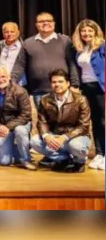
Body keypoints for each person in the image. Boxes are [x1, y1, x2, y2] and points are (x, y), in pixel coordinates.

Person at [30, 69, 92, 173]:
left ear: (68, 83)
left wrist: (65, 137)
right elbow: (42, 122)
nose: (57, 84)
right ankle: (63, 159)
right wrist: (46, 136)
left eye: (60, 81)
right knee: (34, 141)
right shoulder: (45, 99)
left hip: (75, 137)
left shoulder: (81, 99)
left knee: (76, 146)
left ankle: (79, 162)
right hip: (55, 136)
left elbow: (84, 125)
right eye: (54, 82)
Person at [11, 12, 79, 102]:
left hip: (63, 90)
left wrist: (75, 85)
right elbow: (19, 66)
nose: (46, 23)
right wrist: (11, 84)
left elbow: (72, 63)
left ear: (54, 23)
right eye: (42, 21)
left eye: (49, 21)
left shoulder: (65, 41)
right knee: (42, 116)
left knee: (65, 116)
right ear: (36, 25)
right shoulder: (27, 43)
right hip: (38, 92)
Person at [0, 66, 36, 170]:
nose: (0, 80)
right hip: (2, 127)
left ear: (9, 77)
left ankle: (26, 159)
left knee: (20, 130)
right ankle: (17, 153)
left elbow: (25, 114)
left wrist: (8, 126)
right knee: (4, 162)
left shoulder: (20, 91)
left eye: (3, 76)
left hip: (19, 124)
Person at [71, 19, 105, 170]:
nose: (86, 33)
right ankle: (99, 153)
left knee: (103, 122)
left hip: (100, 87)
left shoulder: (102, 47)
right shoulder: (80, 49)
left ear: (95, 32)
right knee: (94, 122)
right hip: (86, 88)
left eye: (90, 30)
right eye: (83, 31)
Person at [0, 22, 26, 86]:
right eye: (6, 32)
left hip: (18, 84)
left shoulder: (24, 47)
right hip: (0, 83)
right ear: (3, 34)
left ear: (18, 32)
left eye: (12, 32)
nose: (9, 34)